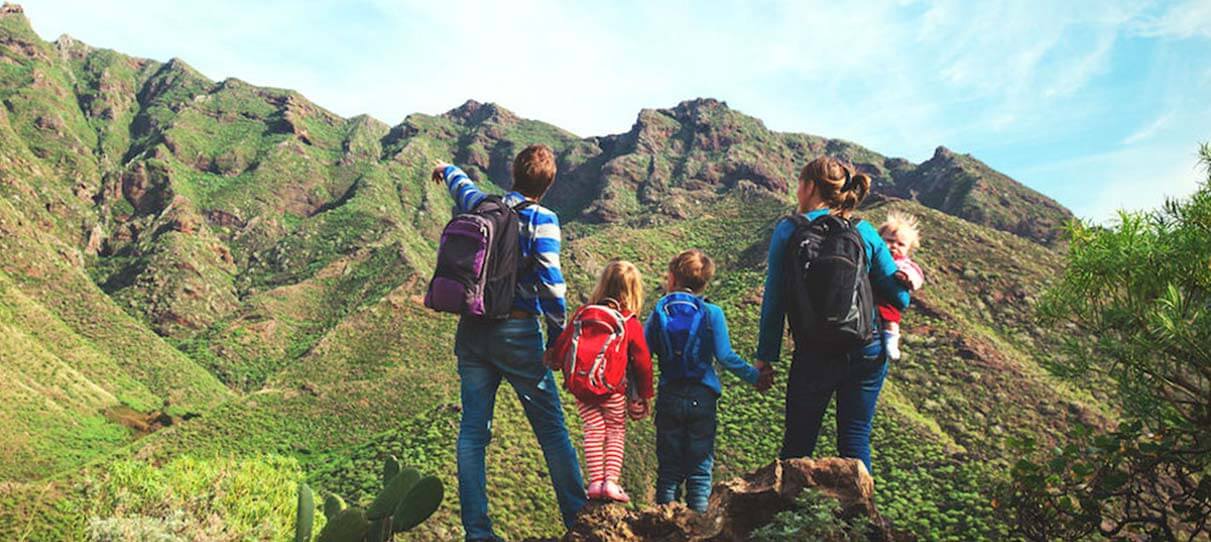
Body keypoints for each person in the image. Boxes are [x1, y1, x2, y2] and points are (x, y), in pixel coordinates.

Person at [431, 145, 586, 542]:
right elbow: (552, 284)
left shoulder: (485, 205)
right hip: (518, 333)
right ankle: (579, 522)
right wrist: (557, 338)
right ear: (548, 184)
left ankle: (478, 534)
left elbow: (462, 186)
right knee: (552, 431)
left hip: (472, 329)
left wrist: (446, 168)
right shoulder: (542, 219)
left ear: (513, 173)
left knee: (472, 434)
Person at [755, 156, 911, 472]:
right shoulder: (864, 231)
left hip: (814, 352)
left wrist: (765, 358)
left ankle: (788, 503)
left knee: (798, 445)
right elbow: (901, 297)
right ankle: (860, 505)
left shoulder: (788, 230)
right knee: (854, 440)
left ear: (810, 187)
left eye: (800, 183)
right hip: (865, 348)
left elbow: (775, 298)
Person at [647, 249, 766, 512]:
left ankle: (663, 522)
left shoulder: (659, 311)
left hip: (669, 396)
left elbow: (643, 353)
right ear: (706, 283)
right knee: (700, 471)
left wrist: (636, 391)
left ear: (672, 278)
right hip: (703, 398)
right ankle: (698, 525)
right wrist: (755, 376)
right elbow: (725, 356)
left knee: (669, 470)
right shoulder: (713, 313)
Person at [551, 260, 653, 504]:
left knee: (593, 430)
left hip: (582, 388)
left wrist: (555, 363)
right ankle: (611, 482)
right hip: (613, 390)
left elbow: (563, 345)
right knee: (615, 430)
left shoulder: (582, 314)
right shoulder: (629, 322)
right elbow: (642, 362)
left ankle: (596, 482)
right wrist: (645, 394)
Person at [876, 212, 925, 360]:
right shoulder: (876, 256)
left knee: (891, 320)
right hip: (871, 296)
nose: (894, 246)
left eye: (900, 244)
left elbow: (917, 275)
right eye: (889, 241)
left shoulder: (904, 263)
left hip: (888, 300)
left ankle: (891, 340)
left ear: (908, 249)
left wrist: (907, 278)